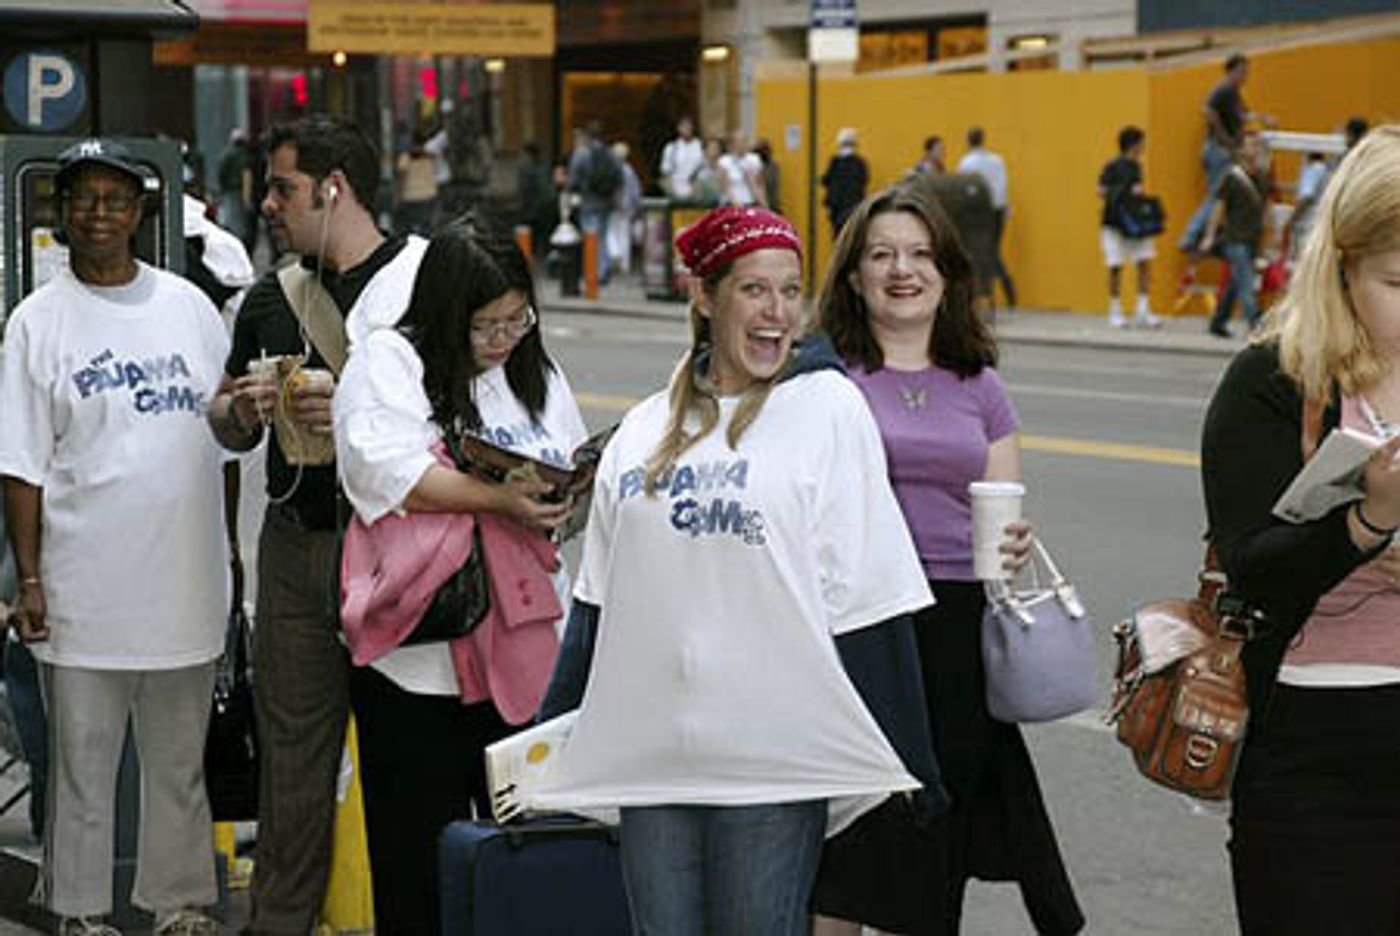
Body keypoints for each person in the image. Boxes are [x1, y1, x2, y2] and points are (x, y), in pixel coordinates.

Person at [529, 206, 942, 934]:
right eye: (754, 290)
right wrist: (545, 740)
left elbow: (867, 595)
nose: (777, 312)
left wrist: (913, 758)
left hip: (773, 760)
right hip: (652, 759)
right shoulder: (644, 427)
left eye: (790, 291)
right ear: (704, 296)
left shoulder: (826, 410)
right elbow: (598, 605)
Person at [817, 182, 1085, 936]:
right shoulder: (826, 377)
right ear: (854, 276)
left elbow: (1002, 504)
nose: (903, 269)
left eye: (920, 253)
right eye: (881, 255)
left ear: (947, 271)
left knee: (932, 854)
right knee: (848, 845)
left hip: (959, 631)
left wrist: (1016, 543)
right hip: (862, 628)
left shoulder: (983, 387)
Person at [0, 138, 232, 936]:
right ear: (61, 214)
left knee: (177, 766)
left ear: (141, 212)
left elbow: (223, 438)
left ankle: (178, 904)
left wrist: (229, 556)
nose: (98, 213)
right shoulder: (37, 322)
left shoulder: (190, 308)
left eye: (115, 199)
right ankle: (79, 912)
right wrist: (28, 583)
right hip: (83, 589)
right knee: (83, 768)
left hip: (186, 584)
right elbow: (21, 465)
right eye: (82, 200)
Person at [205, 115, 427, 936]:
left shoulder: (424, 282)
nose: (267, 203)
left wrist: (357, 411)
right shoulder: (270, 296)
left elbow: (472, 414)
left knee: (408, 762)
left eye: (284, 188)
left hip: (395, 544)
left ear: (334, 189)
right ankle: (279, 924)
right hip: (297, 546)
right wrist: (239, 409)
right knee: (291, 768)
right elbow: (225, 422)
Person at [333, 224, 584, 934]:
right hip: (419, 658)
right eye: (485, 325)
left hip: (525, 644)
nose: (504, 338)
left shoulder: (538, 375)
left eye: (516, 319)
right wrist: (498, 498)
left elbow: (560, 464)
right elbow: (381, 471)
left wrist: (560, 497)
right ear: (446, 312)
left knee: (530, 852)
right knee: (415, 864)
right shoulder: (390, 361)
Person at [1200, 125, 1400, 936]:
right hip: (1316, 747)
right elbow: (1252, 570)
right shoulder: (1274, 380)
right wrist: (1369, 520)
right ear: (1342, 264)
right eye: (1398, 278)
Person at [1181, 54, 1276, 251]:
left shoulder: (1233, 94)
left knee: (1222, 195)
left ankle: (1204, 234)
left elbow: (1242, 115)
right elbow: (1208, 110)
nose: (1245, 77)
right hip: (1219, 150)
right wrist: (1224, 138)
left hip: (1223, 150)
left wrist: (1262, 117)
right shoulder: (1223, 89)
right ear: (1231, 71)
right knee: (1217, 195)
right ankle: (1191, 236)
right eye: (1242, 72)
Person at [1203, 132, 1270, 338]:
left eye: (1257, 146)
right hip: (1235, 238)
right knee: (1246, 283)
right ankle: (1257, 325)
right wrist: (1209, 234)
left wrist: (1268, 237)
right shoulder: (1231, 177)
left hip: (1252, 238)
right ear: (1241, 150)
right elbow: (1219, 208)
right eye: (1250, 146)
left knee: (1236, 282)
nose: (1254, 150)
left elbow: (1266, 210)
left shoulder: (1261, 177)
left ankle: (1218, 321)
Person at [1098, 126, 1162, 328]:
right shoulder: (1113, 166)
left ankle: (1142, 308)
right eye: (1141, 143)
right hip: (1115, 223)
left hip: (1136, 223)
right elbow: (1100, 190)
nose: (1144, 147)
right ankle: (1115, 310)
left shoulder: (1137, 166)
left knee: (1144, 262)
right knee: (1115, 266)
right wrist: (1126, 190)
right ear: (1132, 145)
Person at [957, 127, 1017, 309]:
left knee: (982, 252)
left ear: (968, 141)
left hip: (978, 213)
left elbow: (965, 190)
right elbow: (1003, 186)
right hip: (997, 211)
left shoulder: (967, 163)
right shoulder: (997, 160)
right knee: (992, 250)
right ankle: (1002, 286)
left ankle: (991, 290)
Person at [568, 122, 621, 284]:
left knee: (591, 237)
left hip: (588, 202)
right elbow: (619, 176)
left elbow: (574, 179)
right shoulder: (609, 152)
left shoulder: (582, 153)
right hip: (605, 202)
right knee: (603, 236)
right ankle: (603, 269)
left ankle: (594, 273)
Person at [821, 128, 870, 238]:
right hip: (853, 207)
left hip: (838, 209)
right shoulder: (859, 163)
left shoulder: (836, 162)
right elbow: (864, 180)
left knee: (839, 237)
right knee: (852, 237)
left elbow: (825, 180)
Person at [395, 128, 440, 237]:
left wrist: (398, 197)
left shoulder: (405, 158)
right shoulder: (432, 157)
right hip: (429, 196)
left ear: (413, 142)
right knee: (427, 228)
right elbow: (436, 174)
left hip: (411, 197)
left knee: (408, 229)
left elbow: (401, 178)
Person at [607, 142, 643, 276]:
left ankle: (614, 254)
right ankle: (624, 264)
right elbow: (635, 190)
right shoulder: (628, 170)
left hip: (611, 205)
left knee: (610, 231)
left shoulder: (609, 168)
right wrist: (637, 206)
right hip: (627, 206)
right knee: (624, 235)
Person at [217, 128, 255, 247]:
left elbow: (221, 174)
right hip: (239, 192)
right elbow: (246, 176)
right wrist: (247, 199)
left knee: (230, 222)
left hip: (228, 192)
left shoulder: (225, 154)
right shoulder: (243, 155)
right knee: (240, 226)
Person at [659, 116, 705, 202]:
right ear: (678, 128)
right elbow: (665, 170)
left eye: (688, 126)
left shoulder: (701, 146)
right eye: (683, 126)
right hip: (675, 187)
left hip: (697, 187)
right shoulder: (671, 147)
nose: (686, 129)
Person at [717, 131, 765, 207]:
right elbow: (725, 187)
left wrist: (763, 203)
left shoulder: (754, 159)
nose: (741, 144)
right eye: (737, 142)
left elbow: (760, 184)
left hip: (750, 202)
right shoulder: (724, 161)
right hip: (730, 203)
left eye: (744, 141)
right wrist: (735, 203)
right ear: (732, 144)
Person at [752, 138, 781, 214]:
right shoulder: (751, 165)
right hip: (757, 204)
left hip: (768, 203)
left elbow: (773, 188)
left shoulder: (773, 166)